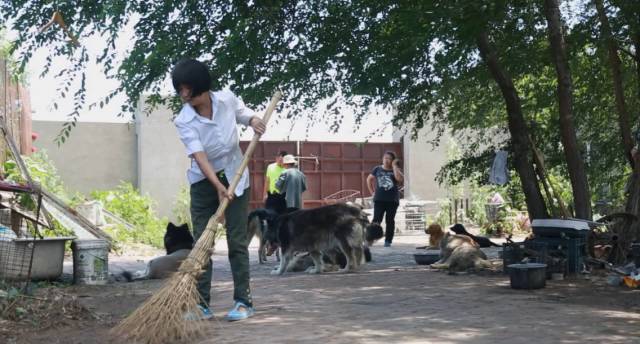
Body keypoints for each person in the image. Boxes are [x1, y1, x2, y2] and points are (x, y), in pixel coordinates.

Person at [172, 58, 265, 322]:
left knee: (237, 241)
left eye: (187, 90)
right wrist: (217, 185)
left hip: (236, 176)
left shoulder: (226, 99)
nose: (183, 96)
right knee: (203, 242)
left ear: (201, 87)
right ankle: (201, 304)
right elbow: (199, 156)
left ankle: (243, 302)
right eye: (180, 90)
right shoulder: (184, 119)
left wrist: (254, 119)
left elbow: (243, 112)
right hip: (204, 182)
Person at [366, 151, 404, 247]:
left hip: (392, 200)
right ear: (382, 159)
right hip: (379, 199)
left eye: (389, 158)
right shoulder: (377, 169)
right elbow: (369, 179)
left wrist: (395, 166)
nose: (386, 160)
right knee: (376, 220)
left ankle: (388, 241)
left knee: (390, 220)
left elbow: (399, 179)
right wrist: (372, 192)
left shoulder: (396, 169)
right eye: (385, 158)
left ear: (392, 160)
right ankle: (370, 239)